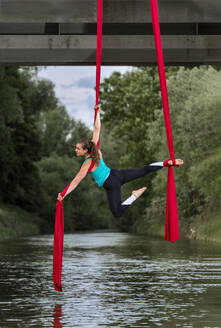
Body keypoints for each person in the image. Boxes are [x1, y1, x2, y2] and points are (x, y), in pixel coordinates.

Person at [57, 105, 184, 218]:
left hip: (111, 184)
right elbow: (97, 129)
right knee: (143, 170)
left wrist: (63, 194)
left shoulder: (87, 164)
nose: (76, 150)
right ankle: (167, 163)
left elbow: (75, 182)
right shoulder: (95, 148)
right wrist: (97, 113)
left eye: (78, 149)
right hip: (117, 174)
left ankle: (135, 195)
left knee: (117, 213)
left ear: (85, 150)